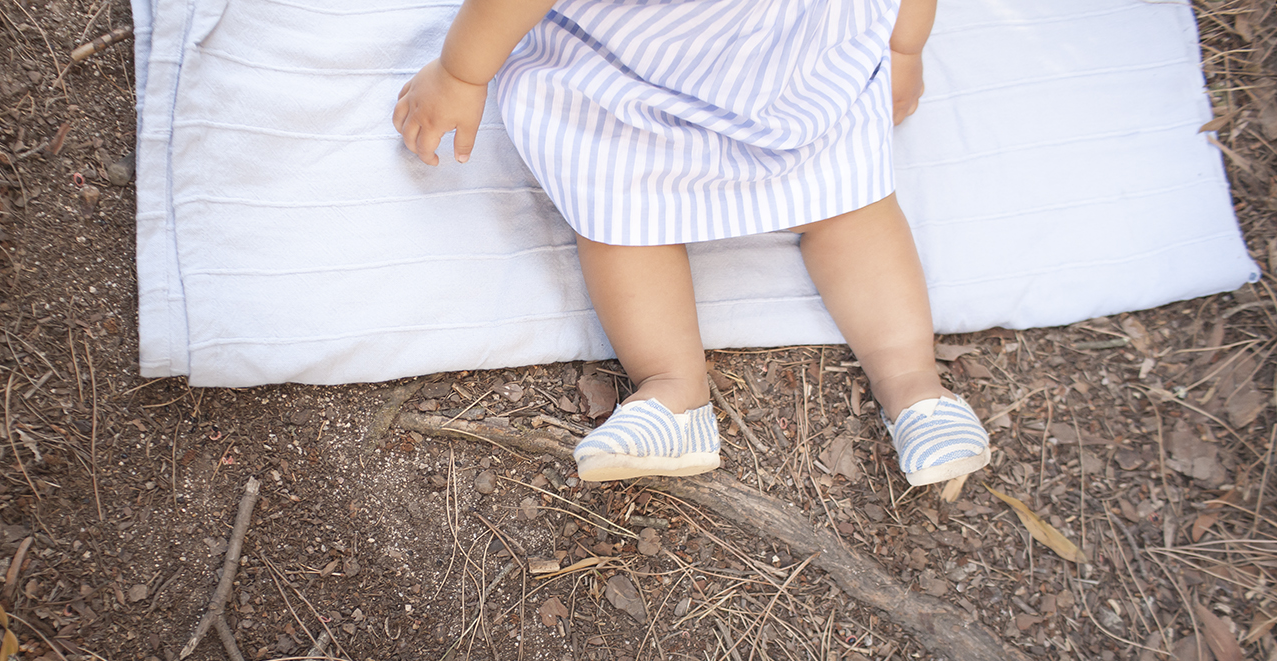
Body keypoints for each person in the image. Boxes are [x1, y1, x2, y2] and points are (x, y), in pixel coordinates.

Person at [393, 0, 990, 486]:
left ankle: (916, 389)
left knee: (852, 207)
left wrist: (902, 45)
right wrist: (461, 71)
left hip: (800, 65)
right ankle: (674, 390)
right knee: (619, 199)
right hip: (631, 68)